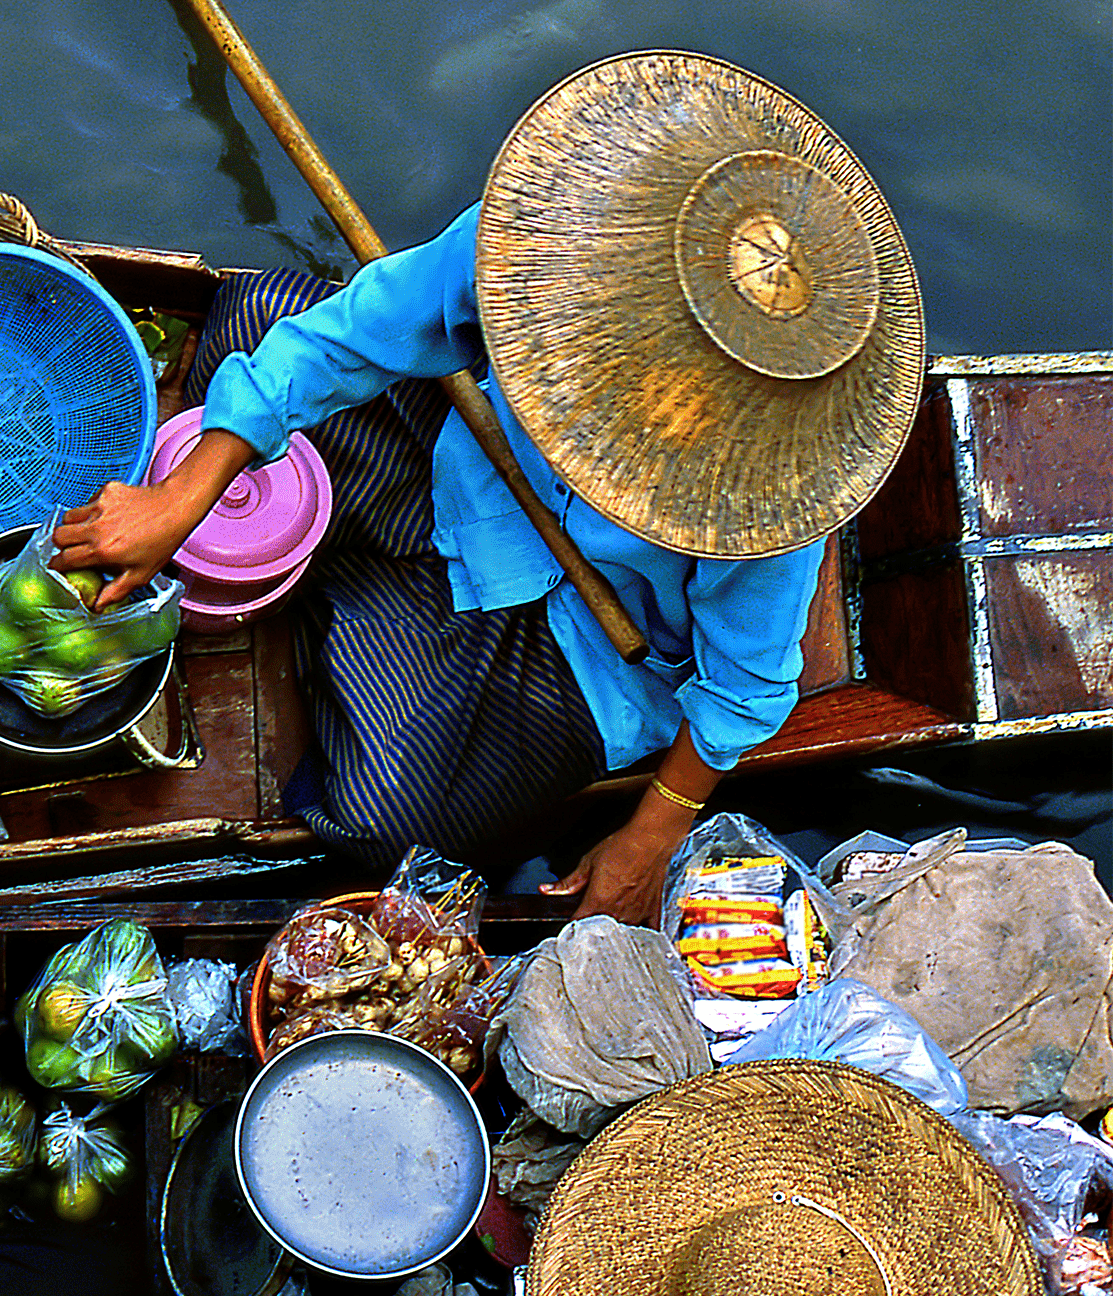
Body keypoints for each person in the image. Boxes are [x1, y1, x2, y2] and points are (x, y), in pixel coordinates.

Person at [53, 51, 922, 927]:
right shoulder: (565, 236)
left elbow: (742, 691)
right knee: (257, 316)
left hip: (575, 643)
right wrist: (188, 494)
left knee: (382, 825)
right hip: (468, 456)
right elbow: (363, 328)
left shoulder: (767, 484)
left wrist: (651, 835)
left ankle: (334, 581)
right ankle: (343, 590)